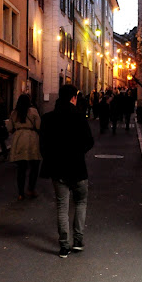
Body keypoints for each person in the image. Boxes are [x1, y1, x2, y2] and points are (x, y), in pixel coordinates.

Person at [40, 84, 94, 258]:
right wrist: (78, 152)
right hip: (77, 167)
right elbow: (89, 141)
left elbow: (43, 145)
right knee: (80, 202)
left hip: (58, 169)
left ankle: (64, 245)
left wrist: (53, 157)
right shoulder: (79, 117)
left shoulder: (48, 118)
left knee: (62, 206)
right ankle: (78, 241)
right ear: (73, 98)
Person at [9, 94, 41, 200]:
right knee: (34, 166)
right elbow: (38, 126)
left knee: (21, 168)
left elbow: (10, 128)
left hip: (19, 139)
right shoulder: (33, 111)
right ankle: (31, 189)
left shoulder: (14, 113)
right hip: (31, 139)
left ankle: (20, 193)